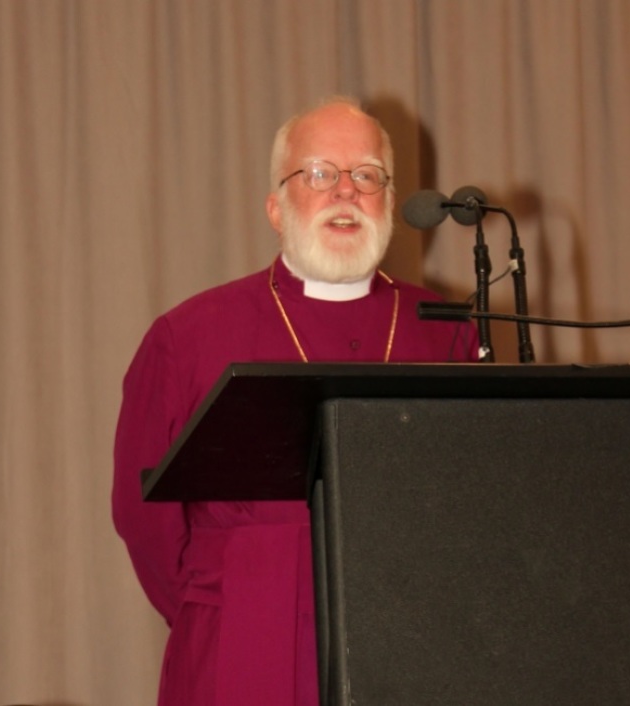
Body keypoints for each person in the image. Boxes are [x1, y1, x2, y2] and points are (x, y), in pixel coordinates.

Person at [112, 96, 478, 706]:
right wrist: (222, 602)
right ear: (276, 207)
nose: (346, 192)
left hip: (413, 632)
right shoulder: (189, 334)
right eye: (319, 174)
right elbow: (140, 512)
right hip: (242, 633)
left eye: (366, 175)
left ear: (389, 201)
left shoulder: (446, 329)